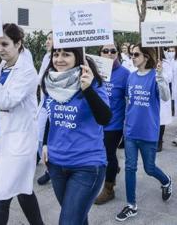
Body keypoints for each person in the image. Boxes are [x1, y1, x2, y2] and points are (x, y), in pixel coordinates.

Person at [0, 24, 44, 225]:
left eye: (5, 44)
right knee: (22, 191)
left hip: (19, 141)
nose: (0, 48)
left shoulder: (27, 72)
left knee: (0, 198)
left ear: (18, 43)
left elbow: (6, 101)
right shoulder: (3, 67)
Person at [41, 47, 111, 225]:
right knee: (78, 219)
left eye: (66, 54)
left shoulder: (92, 83)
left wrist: (87, 89)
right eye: (56, 54)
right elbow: (52, 117)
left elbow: (105, 118)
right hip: (56, 164)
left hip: (87, 166)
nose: (59, 59)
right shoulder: (52, 83)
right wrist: (45, 143)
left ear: (78, 57)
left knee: (68, 221)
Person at [115, 45, 172, 222]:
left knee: (149, 168)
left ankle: (166, 180)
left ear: (146, 57)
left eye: (136, 54)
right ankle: (131, 205)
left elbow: (165, 97)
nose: (133, 57)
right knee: (130, 167)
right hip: (131, 131)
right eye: (131, 54)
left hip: (148, 131)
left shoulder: (155, 76)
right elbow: (128, 100)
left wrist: (161, 77)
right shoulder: (131, 77)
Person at [95, 44, 130, 205]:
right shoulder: (94, 71)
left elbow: (131, 99)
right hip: (95, 123)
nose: (109, 54)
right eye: (105, 51)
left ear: (118, 54)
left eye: (113, 51)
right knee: (100, 154)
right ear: (100, 53)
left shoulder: (125, 74)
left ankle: (109, 189)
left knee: (108, 155)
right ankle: (112, 170)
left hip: (114, 124)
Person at [37, 31, 53, 185]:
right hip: (43, 104)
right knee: (40, 139)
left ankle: (50, 171)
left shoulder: (57, 59)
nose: (47, 42)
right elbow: (39, 79)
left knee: (48, 139)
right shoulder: (46, 57)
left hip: (53, 105)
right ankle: (50, 168)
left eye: (49, 39)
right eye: (46, 39)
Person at [158, 48, 173, 152]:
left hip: (162, 94)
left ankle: (159, 141)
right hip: (149, 94)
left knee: (160, 119)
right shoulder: (145, 62)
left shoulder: (166, 63)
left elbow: (169, 78)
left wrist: (160, 72)